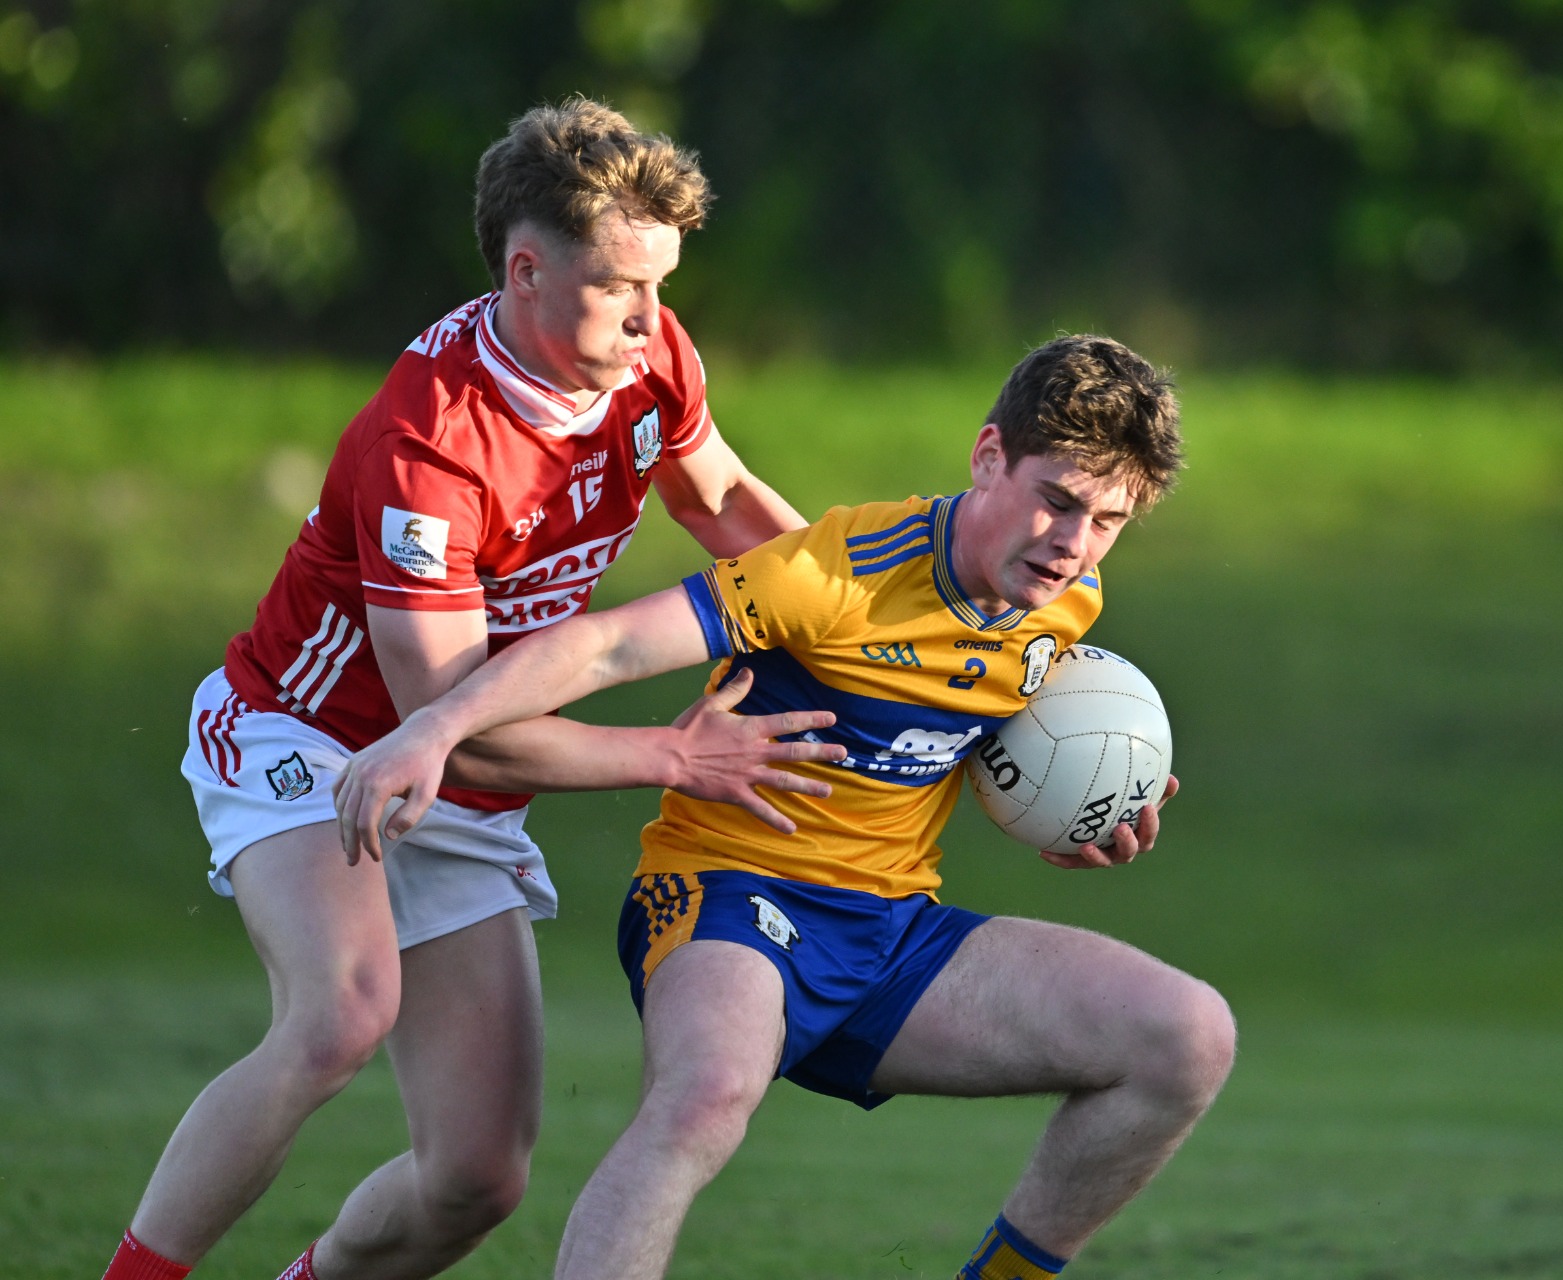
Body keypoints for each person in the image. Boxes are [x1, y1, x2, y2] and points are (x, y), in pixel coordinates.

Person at [99, 98, 844, 1280]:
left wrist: (872, 620)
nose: (650, 317)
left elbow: (718, 501)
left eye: (661, 284)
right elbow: (450, 725)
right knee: (341, 1015)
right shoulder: (431, 450)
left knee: (477, 1177)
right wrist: (671, 754)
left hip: (460, 765)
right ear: (525, 271)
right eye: (619, 286)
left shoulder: (647, 355)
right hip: (310, 737)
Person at [333, 334, 1237, 1280]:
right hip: (731, 896)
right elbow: (608, 648)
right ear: (988, 457)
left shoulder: (1066, 601)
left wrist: (1071, 815)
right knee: (705, 1099)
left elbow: (966, 731)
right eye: (1058, 501)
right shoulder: (838, 571)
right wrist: (435, 725)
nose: (1074, 543)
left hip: (889, 931)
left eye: (1108, 521)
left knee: (1188, 1037)